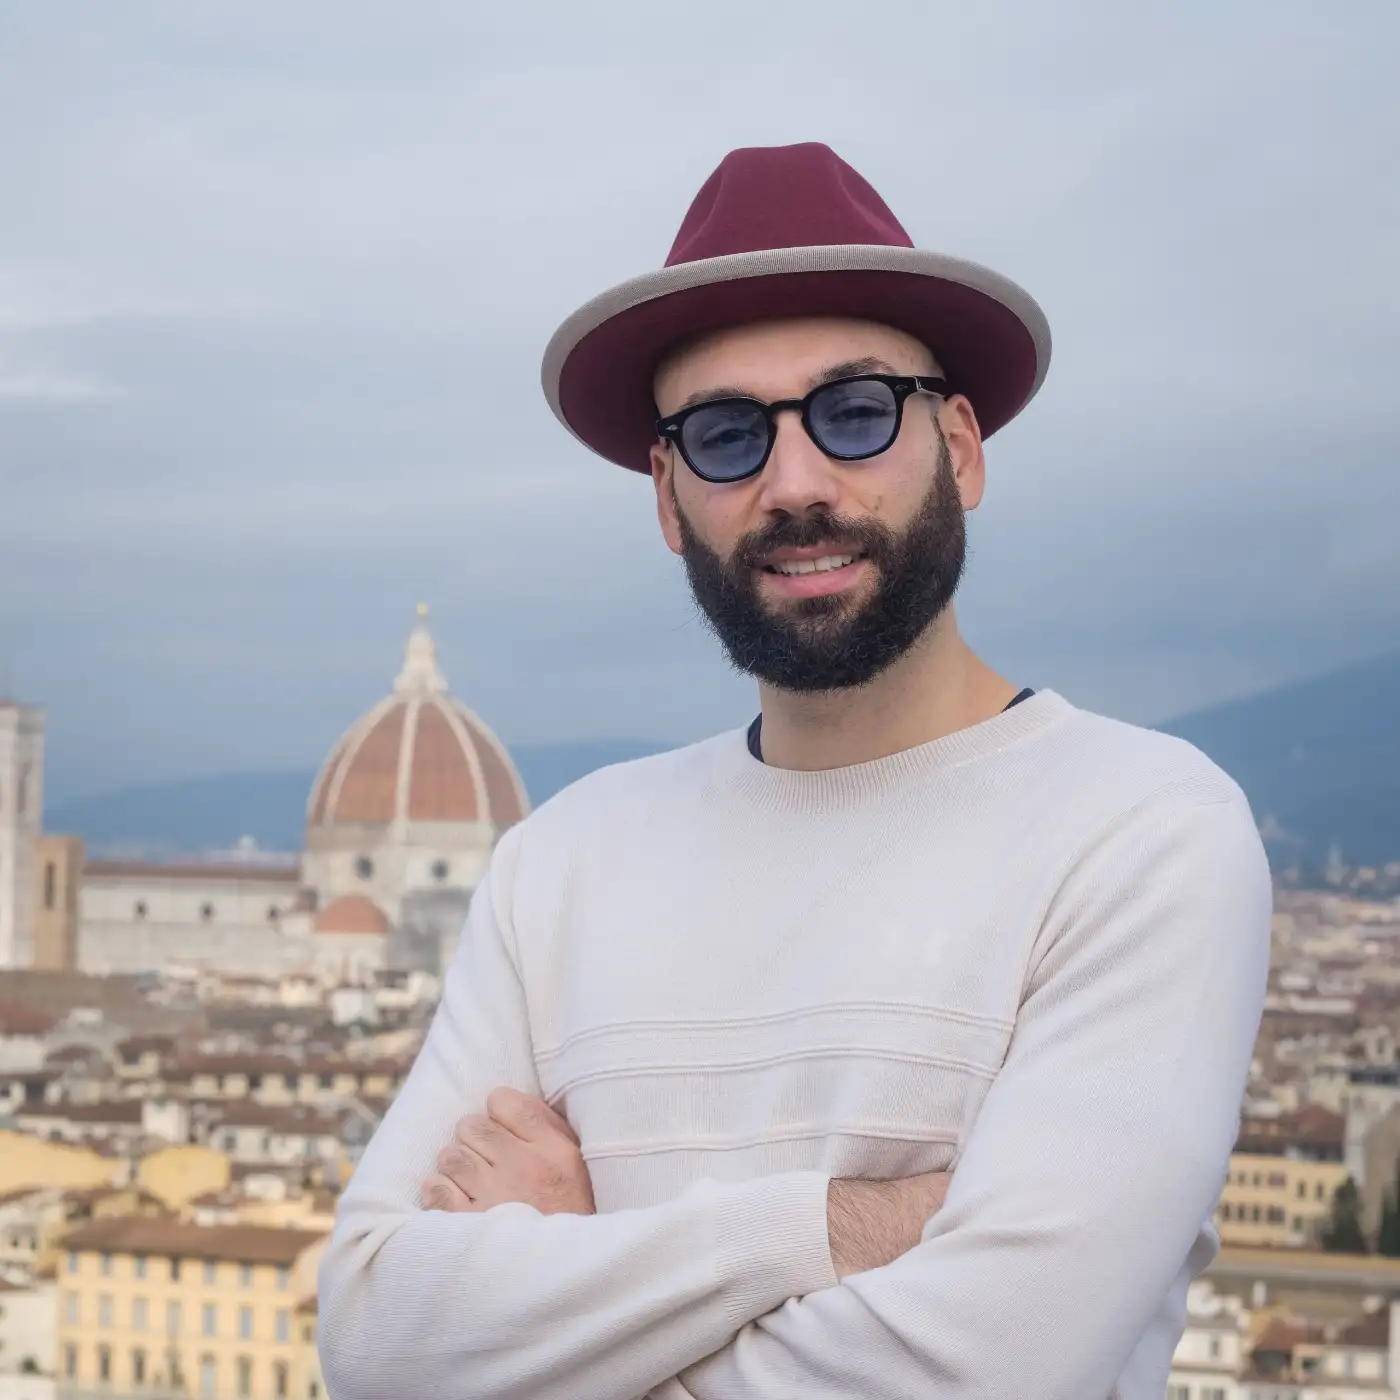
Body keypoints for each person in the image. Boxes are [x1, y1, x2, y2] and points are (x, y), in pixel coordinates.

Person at [317, 142, 1271, 1400]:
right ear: (666, 497)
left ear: (962, 448)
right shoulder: (561, 857)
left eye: (857, 410)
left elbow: (989, 1371)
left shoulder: (1142, 830)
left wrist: (578, 1265)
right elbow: (378, 1338)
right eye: (724, 435)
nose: (797, 482)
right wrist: (839, 1225)